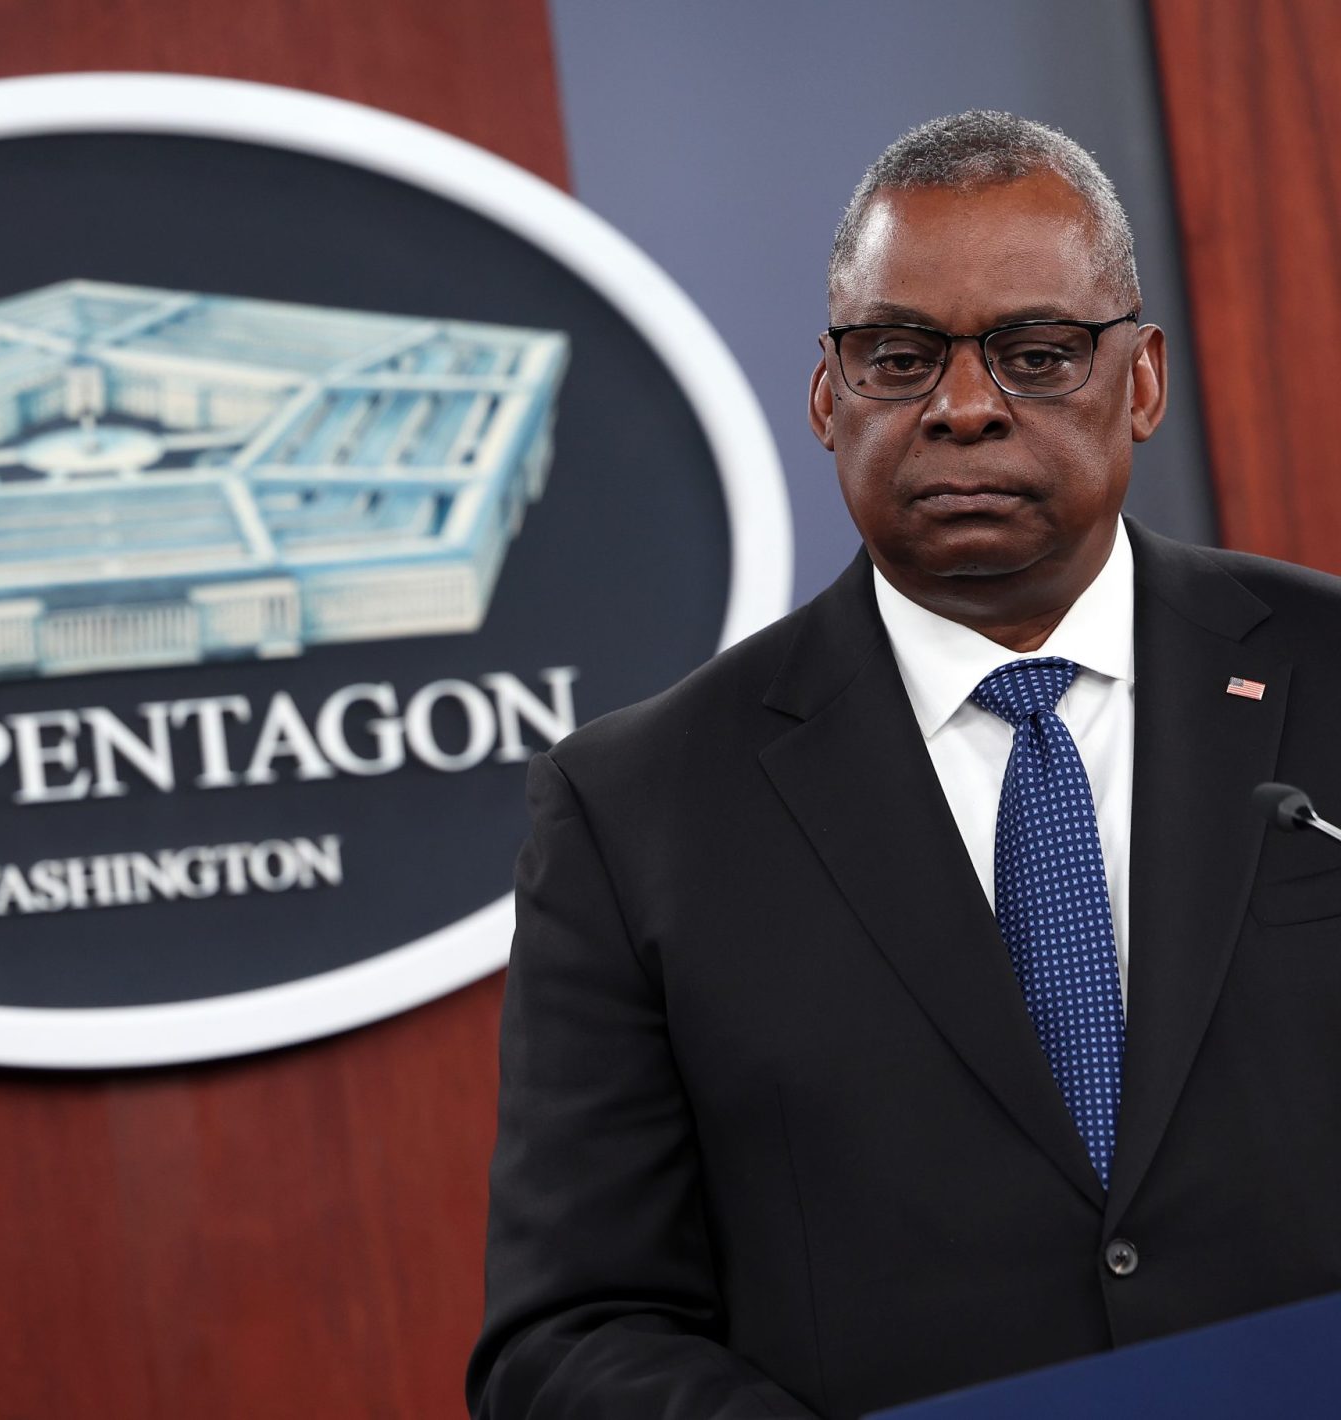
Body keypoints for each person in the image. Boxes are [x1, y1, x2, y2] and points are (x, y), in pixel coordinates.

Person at [467, 110, 1341, 1419]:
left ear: (1143, 381)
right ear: (830, 397)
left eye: (1038, 355)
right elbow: (569, 1335)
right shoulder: (637, 808)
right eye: (901, 357)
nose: (968, 408)